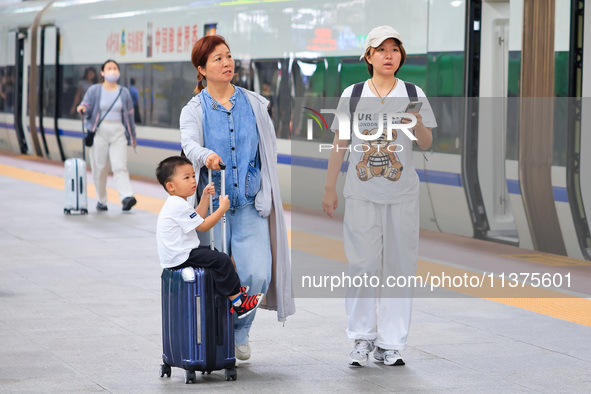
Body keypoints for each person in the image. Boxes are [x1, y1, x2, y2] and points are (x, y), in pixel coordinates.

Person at [321, 26, 437, 367]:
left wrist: (417, 123)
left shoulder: (414, 92)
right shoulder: (353, 94)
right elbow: (340, 143)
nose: (389, 55)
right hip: (361, 194)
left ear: (401, 56)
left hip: (403, 195)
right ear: (368, 57)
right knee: (362, 265)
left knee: (400, 267)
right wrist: (330, 188)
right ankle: (362, 338)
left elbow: (427, 143)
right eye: (381, 50)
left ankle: (391, 343)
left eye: (395, 50)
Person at [180, 35, 295, 361]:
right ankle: (217, 338)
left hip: (248, 205)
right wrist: (206, 156)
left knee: (257, 274)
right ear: (201, 69)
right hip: (212, 209)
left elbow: (266, 153)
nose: (226, 62)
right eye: (217, 59)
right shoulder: (193, 110)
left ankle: (236, 333)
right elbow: (189, 146)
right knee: (216, 277)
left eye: (228, 56)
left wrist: (266, 192)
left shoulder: (255, 105)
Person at [155, 156, 263, 318]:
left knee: (214, 255)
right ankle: (239, 303)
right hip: (181, 256)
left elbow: (197, 218)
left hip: (179, 254)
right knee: (222, 260)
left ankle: (232, 290)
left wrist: (205, 197)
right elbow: (204, 226)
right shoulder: (177, 205)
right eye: (186, 178)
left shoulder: (176, 203)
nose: (193, 180)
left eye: (193, 176)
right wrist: (222, 209)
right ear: (171, 186)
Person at [77, 59, 138, 212]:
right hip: (99, 131)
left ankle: (126, 197)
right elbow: (86, 104)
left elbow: (130, 116)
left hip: (118, 131)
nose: (113, 71)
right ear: (102, 73)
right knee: (99, 168)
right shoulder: (94, 90)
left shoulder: (123, 92)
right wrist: (82, 108)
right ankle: (101, 200)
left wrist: (132, 136)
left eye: (115, 68)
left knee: (120, 166)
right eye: (109, 68)